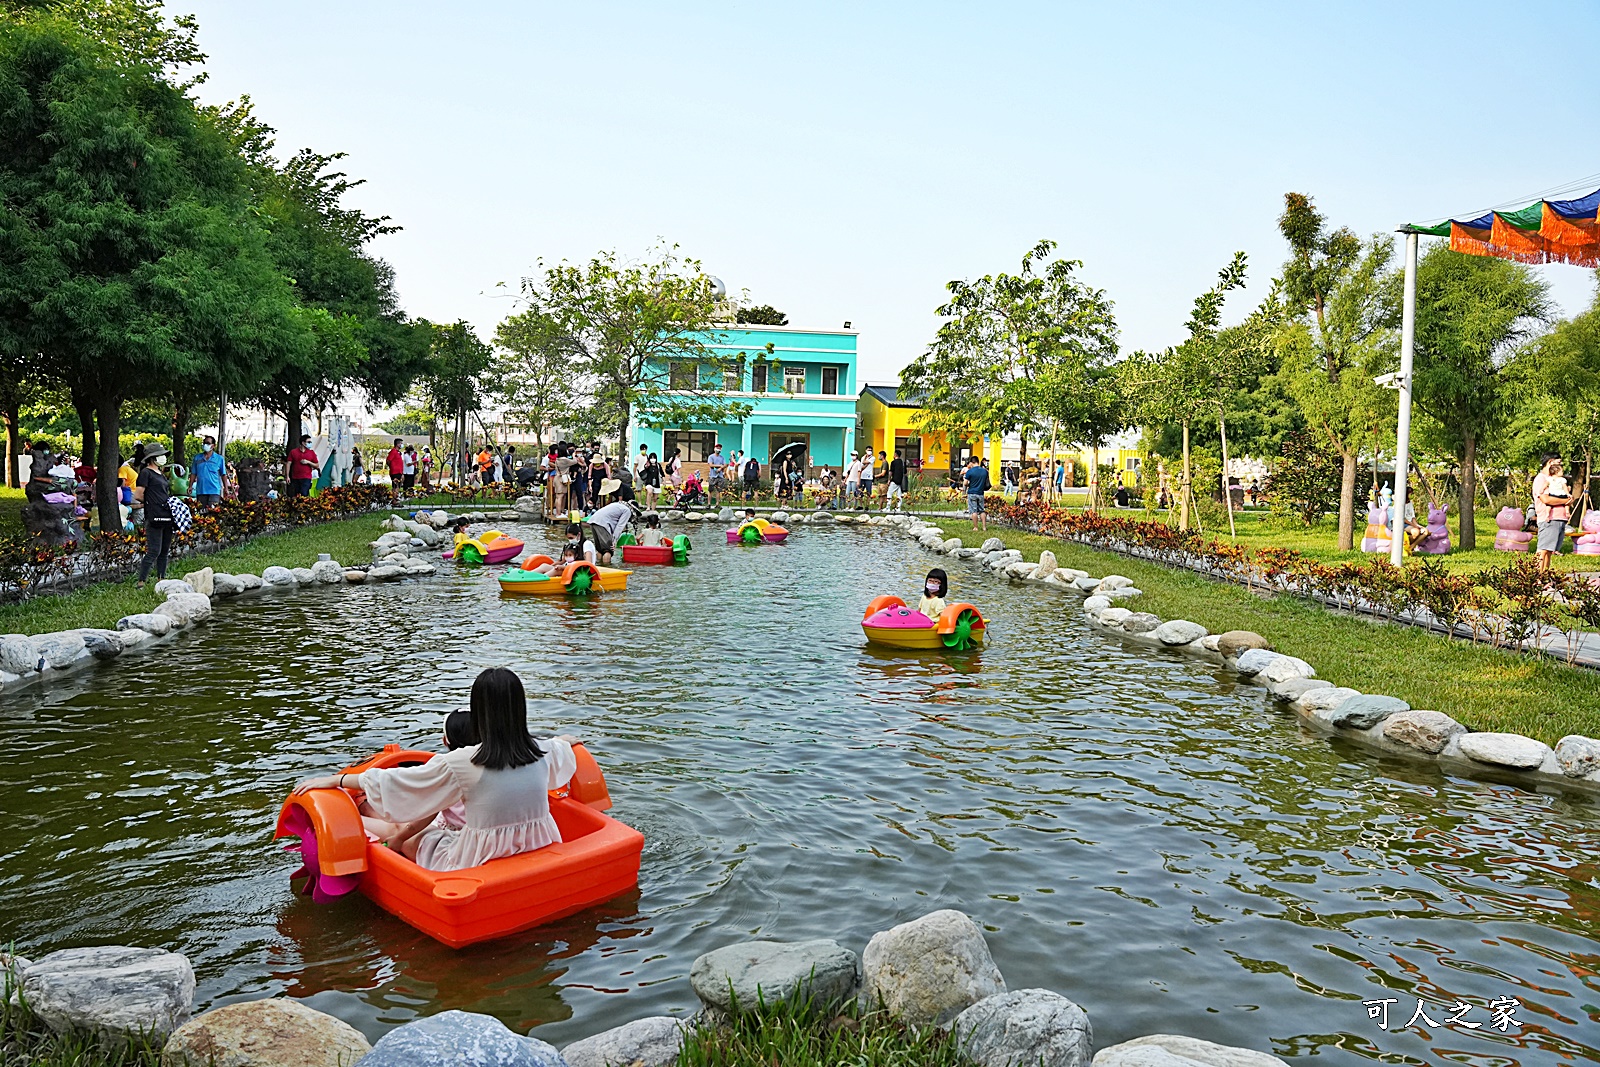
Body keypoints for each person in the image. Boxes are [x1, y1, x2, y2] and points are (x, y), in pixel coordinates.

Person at [293, 668, 580, 869]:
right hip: (540, 844)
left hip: (481, 858)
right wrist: (568, 740)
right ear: (520, 708)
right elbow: (560, 747)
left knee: (413, 838)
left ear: (478, 712)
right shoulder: (542, 750)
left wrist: (340, 779)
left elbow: (405, 781)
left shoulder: (463, 762)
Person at [133, 445, 175, 586]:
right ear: (152, 458)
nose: (163, 457)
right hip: (154, 516)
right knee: (154, 551)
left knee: (164, 550)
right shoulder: (146, 473)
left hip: (167, 515)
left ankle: (161, 579)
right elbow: (138, 495)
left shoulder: (160, 473)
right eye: (160, 455)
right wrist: (152, 502)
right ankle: (141, 581)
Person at [1533, 455, 1571, 571]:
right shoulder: (1542, 479)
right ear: (1550, 462)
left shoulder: (1557, 480)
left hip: (1559, 518)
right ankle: (1534, 578)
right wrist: (1566, 500)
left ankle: (1544, 577)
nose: (1561, 466)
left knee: (1549, 551)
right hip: (1549, 518)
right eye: (1558, 463)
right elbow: (1546, 499)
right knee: (1542, 550)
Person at [191, 436, 225, 507]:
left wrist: (226, 489)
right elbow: (193, 473)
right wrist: (190, 486)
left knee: (213, 513)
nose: (205, 445)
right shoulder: (197, 458)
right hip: (201, 491)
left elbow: (223, 474)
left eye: (208, 443)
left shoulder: (219, 459)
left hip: (214, 491)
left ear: (213, 445)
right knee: (201, 514)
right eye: (204, 443)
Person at [963, 455, 991, 531]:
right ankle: (984, 527)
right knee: (982, 510)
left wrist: (964, 491)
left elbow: (965, 483)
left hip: (972, 493)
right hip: (981, 493)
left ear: (972, 462)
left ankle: (976, 527)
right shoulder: (985, 471)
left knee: (974, 511)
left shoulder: (970, 471)